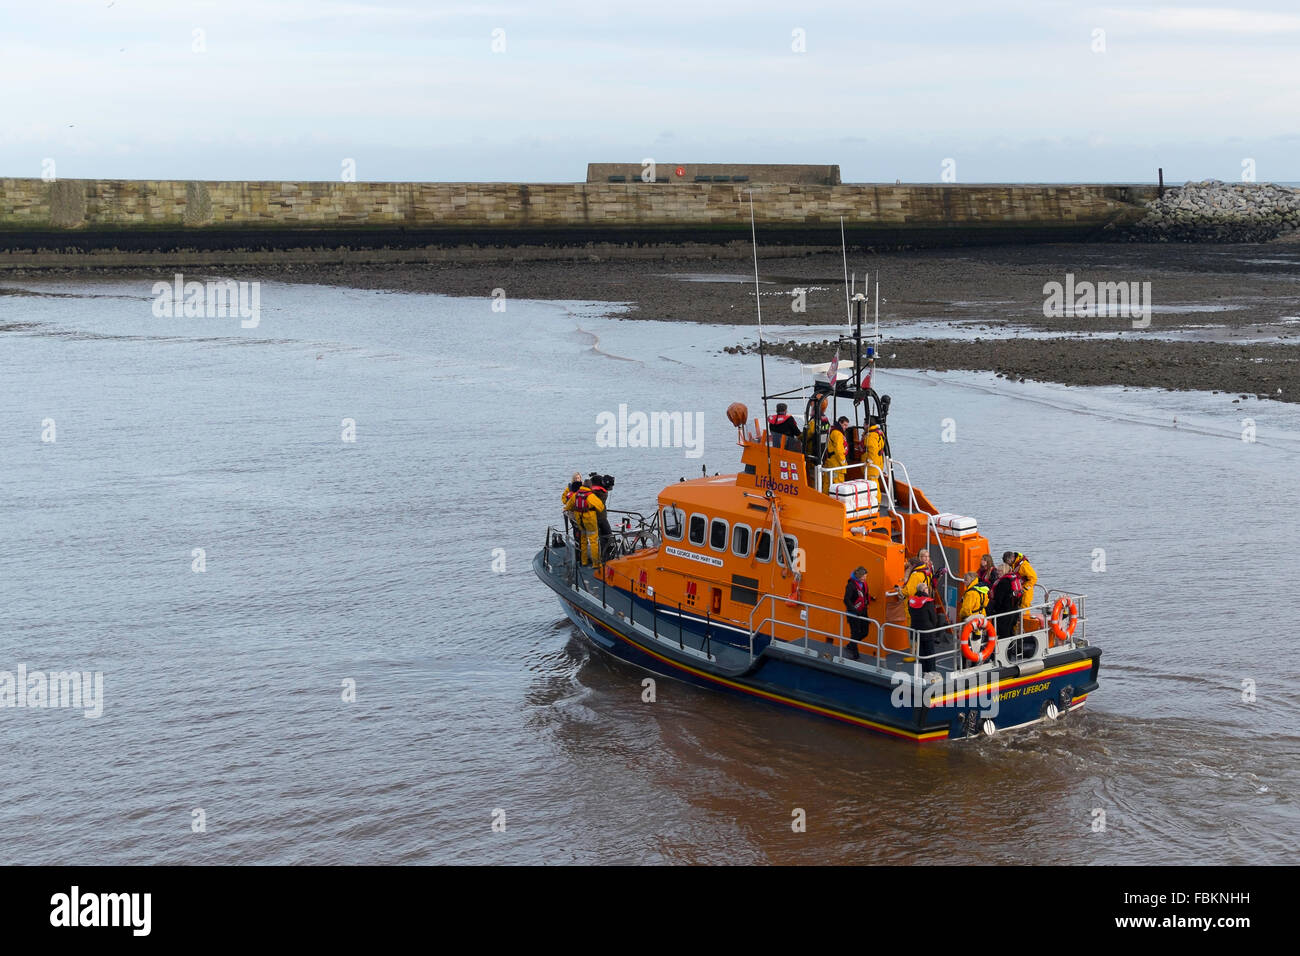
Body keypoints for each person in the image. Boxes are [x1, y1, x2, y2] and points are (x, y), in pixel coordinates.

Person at [564, 479, 605, 569]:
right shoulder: (590, 496)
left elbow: (568, 506)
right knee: (593, 541)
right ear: (590, 487)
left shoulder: (576, 495)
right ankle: (596, 563)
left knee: (583, 540)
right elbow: (601, 507)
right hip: (590, 520)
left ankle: (584, 561)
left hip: (580, 520)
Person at [908, 582, 946, 675]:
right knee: (930, 652)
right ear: (924, 590)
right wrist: (933, 626)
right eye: (927, 588)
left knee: (921, 652)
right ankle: (931, 671)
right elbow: (933, 617)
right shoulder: (928, 601)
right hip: (928, 630)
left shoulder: (911, 601)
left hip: (916, 629)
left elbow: (910, 613)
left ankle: (923, 672)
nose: (928, 590)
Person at [842, 566, 870, 661]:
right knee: (855, 633)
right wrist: (854, 610)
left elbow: (865, 595)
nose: (865, 578)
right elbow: (846, 600)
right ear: (858, 576)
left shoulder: (864, 584)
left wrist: (870, 598)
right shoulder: (851, 586)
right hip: (853, 613)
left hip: (863, 612)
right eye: (863, 576)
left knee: (865, 632)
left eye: (865, 576)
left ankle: (850, 645)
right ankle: (855, 656)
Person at [990, 562, 1021, 644]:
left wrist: (994, 609)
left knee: (1003, 634)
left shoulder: (1003, 582)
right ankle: (1011, 649)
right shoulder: (1013, 580)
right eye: (997, 571)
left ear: (1004, 571)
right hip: (1014, 610)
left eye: (1000, 571)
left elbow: (999, 599)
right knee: (1010, 631)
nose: (997, 572)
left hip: (1004, 613)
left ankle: (1004, 652)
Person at [588, 473, 614, 562]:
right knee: (602, 538)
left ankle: (609, 552)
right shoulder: (601, 494)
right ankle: (604, 556)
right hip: (595, 518)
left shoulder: (596, 489)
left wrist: (595, 476)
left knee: (608, 534)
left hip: (602, 517)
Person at [821, 416, 849, 492]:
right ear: (840, 423)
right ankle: (837, 502)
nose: (845, 427)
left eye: (847, 426)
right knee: (838, 485)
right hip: (836, 464)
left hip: (830, 461)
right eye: (844, 425)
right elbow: (839, 450)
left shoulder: (832, 431)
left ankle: (825, 499)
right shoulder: (838, 434)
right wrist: (843, 463)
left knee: (827, 483)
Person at [561, 472, 583, 563]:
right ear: (573, 479)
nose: (578, 479)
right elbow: (563, 499)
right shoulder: (569, 488)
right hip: (572, 513)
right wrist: (568, 500)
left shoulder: (582, 487)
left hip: (581, 513)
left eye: (579, 477)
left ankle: (581, 551)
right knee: (576, 531)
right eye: (576, 478)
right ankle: (578, 552)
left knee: (582, 533)